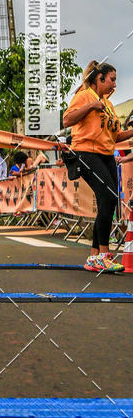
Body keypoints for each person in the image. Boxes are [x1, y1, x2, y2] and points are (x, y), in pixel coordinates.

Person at [63, 60, 133, 272]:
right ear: (99, 78)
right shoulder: (85, 96)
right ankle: (103, 254)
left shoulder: (109, 105)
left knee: (109, 202)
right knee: (109, 197)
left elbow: (116, 136)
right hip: (86, 153)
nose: (114, 85)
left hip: (106, 154)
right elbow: (67, 120)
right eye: (112, 79)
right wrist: (90, 106)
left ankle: (94, 257)